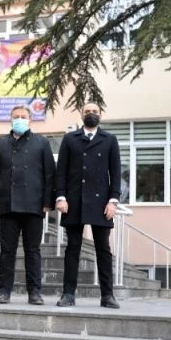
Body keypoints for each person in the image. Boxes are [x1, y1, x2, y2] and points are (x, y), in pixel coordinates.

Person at [55, 102, 122, 309]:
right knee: (72, 249)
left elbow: (116, 172)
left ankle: (107, 295)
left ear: (100, 114)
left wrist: (113, 200)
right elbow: (61, 171)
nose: (91, 114)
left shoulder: (109, 139)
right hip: (74, 201)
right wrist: (61, 197)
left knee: (103, 249)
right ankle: (68, 294)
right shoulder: (70, 139)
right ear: (81, 114)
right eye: (87, 111)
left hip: (101, 203)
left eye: (94, 111)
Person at [0, 105, 55, 305]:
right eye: (16, 116)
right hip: (7, 205)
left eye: (23, 116)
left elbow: (49, 174)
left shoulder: (42, 143)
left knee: (33, 251)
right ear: (10, 119)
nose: (19, 119)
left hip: (34, 205)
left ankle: (34, 292)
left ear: (29, 119)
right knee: (7, 251)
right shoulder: (1, 143)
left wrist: (47, 202)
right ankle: (4, 291)